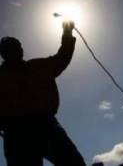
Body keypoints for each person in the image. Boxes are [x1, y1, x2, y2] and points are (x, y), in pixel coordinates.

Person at [0, 21, 86, 166]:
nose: (19, 50)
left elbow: (62, 57)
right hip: (20, 132)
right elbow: (62, 58)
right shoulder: (34, 67)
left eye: (19, 46)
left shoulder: (37, 66)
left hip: (39, 128)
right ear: (5, 53)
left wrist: (67, 31)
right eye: (15, 47)